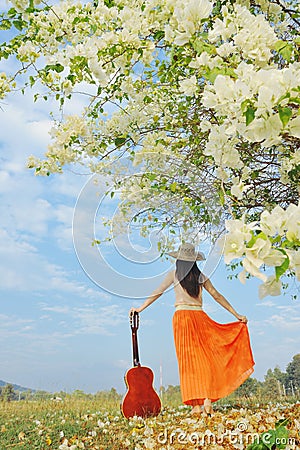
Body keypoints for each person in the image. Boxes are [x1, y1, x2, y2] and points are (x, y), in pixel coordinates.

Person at [129, 243, 255, 417]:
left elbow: (158, 292)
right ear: (195, 261)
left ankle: (197, 405)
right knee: (206, 359)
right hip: (200, 317)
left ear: (179, 260)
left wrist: (140, 308)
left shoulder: (174, 274)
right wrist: (236, 315)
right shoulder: (200, 276)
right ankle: (204, 402)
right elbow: (217, 295)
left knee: (188, 363)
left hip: (182, 319)